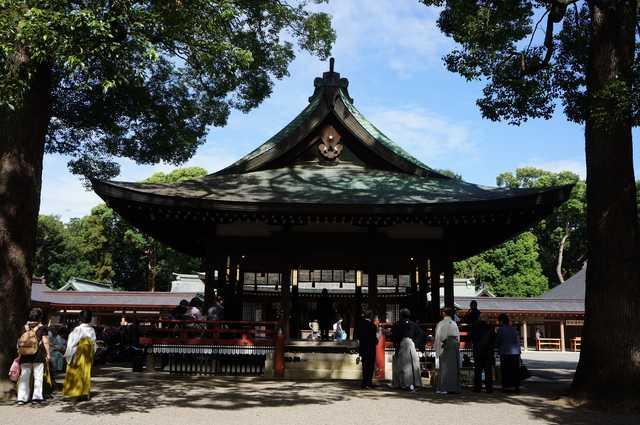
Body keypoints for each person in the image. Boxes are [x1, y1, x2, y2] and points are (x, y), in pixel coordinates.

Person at [16, 307, 51, 405]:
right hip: (38, 355)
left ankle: (21, 398)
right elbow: (45, 342)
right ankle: (36, 397)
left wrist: (19, 353)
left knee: (24, 376)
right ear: (40, 317)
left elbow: (19, 341)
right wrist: (48, 354)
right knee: (38, 376)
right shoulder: (42, 328)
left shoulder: (24, 327)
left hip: (25, 354)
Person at [63, 310, 97, 401]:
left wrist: (68, 354)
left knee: (75, 372)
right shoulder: (92, 330)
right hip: (87, 354)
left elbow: (72, 343)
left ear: (80, 318)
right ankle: (85, 393)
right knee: (86, 372)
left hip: (78, 353)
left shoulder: (78, 329)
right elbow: (93, 344)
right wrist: (92, 354)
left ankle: (76, 393)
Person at [390, 308, 424, 391]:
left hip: (402, 343)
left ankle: (403, 383)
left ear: (401, 315)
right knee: (413, 364)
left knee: (402, 365)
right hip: (411, 344)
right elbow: (421, 334)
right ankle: (415, 383)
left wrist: (397, 345)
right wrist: (415, 343)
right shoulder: (413, 324)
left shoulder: (397, 324)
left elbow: (394, 336)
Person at [434, 307, 461, 394]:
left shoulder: (441, 323)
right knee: (453, 367)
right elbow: (458, 336)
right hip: (454, 343)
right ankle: (454, 388)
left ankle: (444, 387)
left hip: (446, 344)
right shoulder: (454, 323)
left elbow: (439, 336)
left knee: (445, 367)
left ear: (444, 313)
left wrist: (438, 347)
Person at [496, 313, 522, 392]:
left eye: (499, 321)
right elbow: (517, 341)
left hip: (505, 352)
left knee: (505, 370)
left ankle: (505, 387)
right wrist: (519, 352)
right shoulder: (514, 329)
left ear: (502, 321)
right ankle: (516, 387)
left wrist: (497, 346)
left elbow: (498, 341)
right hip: (515, 352)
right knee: (515, 370)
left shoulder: (500, 330)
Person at [355, 309, 378, 389]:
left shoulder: (360, 324)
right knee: (370, 366)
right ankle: (369, 382)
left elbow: (357, 336)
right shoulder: (373, 326)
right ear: (371, 316)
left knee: (364, 365)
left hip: (363, 347)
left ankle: (364, 382)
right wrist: (376, 341)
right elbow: (374, 339)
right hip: (371, 348)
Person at [471, 316, 495, 393]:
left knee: (478, 370)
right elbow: (494, 340)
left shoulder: (476, 329)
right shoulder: (490, 329)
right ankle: (489, 388)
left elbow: (473, 338)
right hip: (488, 352)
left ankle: (478, 387)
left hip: (478, 351)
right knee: (488, 370)